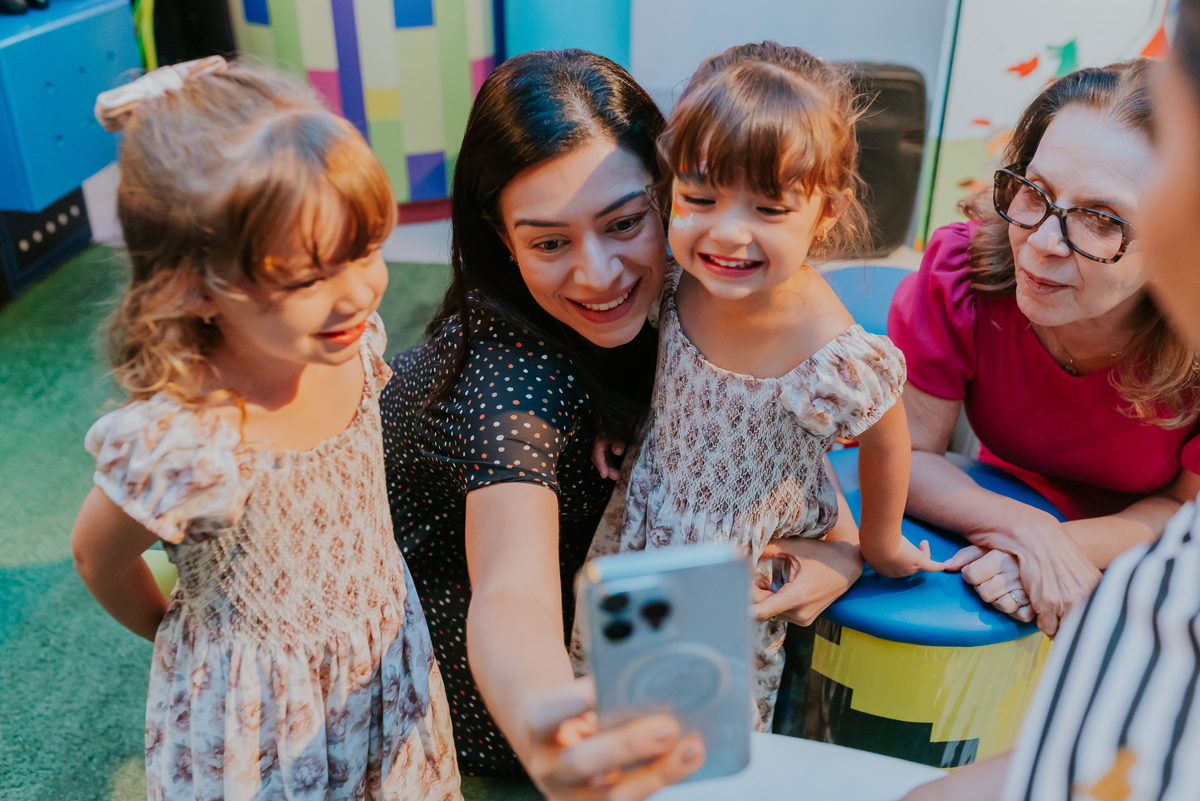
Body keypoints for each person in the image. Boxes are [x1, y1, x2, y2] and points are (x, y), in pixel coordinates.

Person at [70, 58, 460, 800]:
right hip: (261, 717)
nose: (357, 291)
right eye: (308, 278)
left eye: (364, 249)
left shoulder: (352, 342)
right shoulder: (186, 438)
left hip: (380, 648)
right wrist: (181, 643)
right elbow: (97, 556)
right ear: (194, 285)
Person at [574, 41, 938, 732]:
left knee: (704, 729)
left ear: (824, 214)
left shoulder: (826, 345)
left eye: (770, 209)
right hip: (648, 518)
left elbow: (889, 438)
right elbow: (653, 362)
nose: (727, 233)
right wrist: (627, 418)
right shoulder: (681, 274)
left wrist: (883, 543)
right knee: (613, 700)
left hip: (732, 563)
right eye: (700, 197)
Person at [904, 10, 1200, 796]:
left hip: (1139, 553)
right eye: (1032, 191)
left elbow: (1183, 509)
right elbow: (907, 454)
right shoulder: (964, 272)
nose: (1039, 241)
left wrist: (1066, 548)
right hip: (993, 504)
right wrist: (1033, 535)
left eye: (1101, 220)